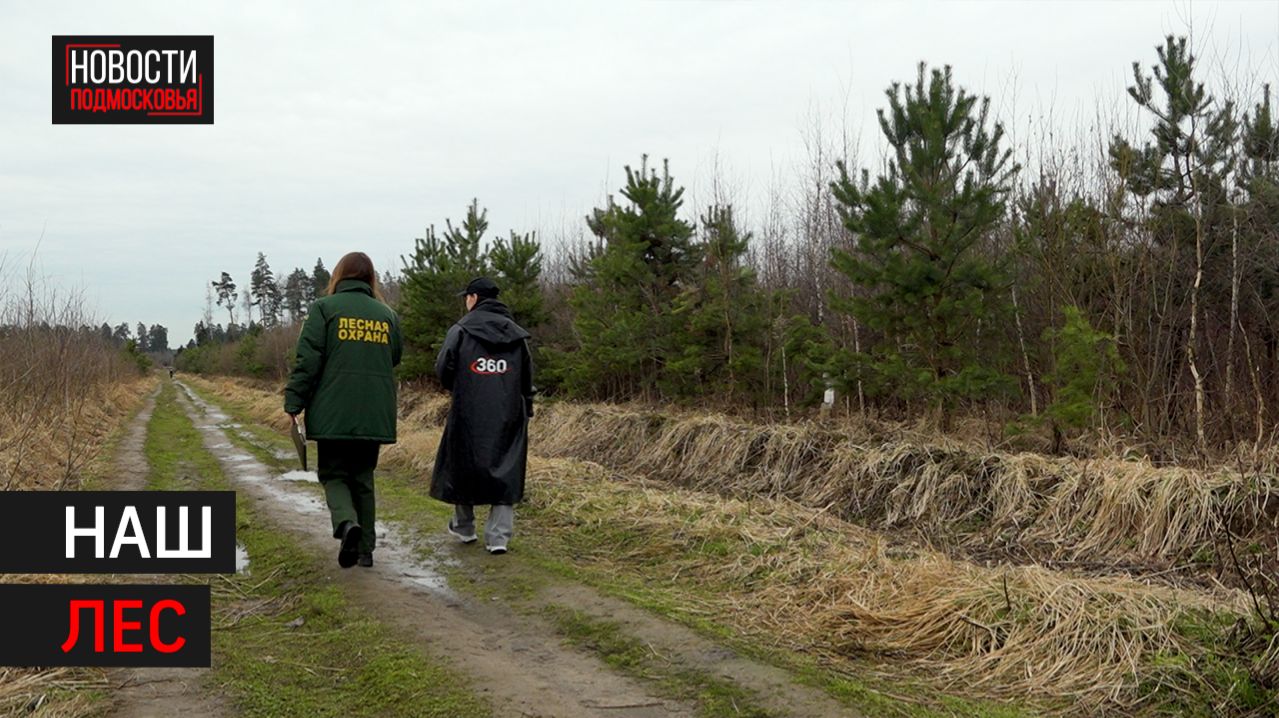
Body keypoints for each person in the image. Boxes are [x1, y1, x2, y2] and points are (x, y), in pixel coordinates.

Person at [284, 252, 402, 568]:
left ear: (339, 276)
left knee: (334, 474)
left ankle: (346, 524)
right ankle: (365, 551)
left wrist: (294, 402)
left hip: (333, 411)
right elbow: (394, 357)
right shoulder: (387, 315)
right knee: (363, 477)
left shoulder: (324, 309)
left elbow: (308, 361)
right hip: (375, 412)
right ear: (370, 279)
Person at [431, 277, 534, 555]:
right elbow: (527, 377)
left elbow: (443, 367)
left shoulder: (460, 330)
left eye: (466, 297)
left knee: (462, 464)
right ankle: (498, 537)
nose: (465, 301)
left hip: (468, 410)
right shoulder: (517, 334)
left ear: (474, 298)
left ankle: (464, 527)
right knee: (506, 469)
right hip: (509, 413)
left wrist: (462, 386)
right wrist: (528, 407)